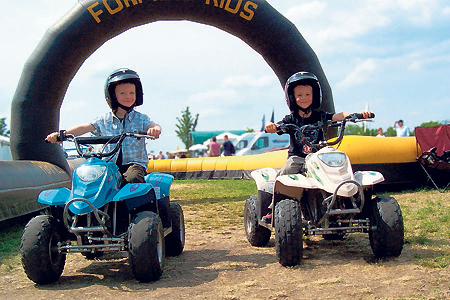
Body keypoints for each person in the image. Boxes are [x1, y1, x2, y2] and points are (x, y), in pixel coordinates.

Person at [46, 68, 161, 184]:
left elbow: (152, 124)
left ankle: (135, 202)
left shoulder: (141, 118)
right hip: (107, 165)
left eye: (132, 93)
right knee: (90, 179)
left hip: (133, 165)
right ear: (112, 96)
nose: (128, 96)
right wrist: (62, 135)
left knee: (133, 178)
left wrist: (155, 129)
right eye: (122, 93)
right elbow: (84, 127)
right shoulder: (103, 120)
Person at [265, 71, 373, 177]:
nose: (304, 98)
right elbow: (277, 126)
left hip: (319, 156)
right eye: (299, 95)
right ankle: (276, 192)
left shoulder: (320, 116)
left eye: (308, 94)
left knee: (336, 170)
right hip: (298, 158)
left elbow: (339, 116)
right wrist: (271, 126)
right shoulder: (291, 119)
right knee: (288, 170)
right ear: (292, 98)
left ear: (315, 96)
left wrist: (356, 115)